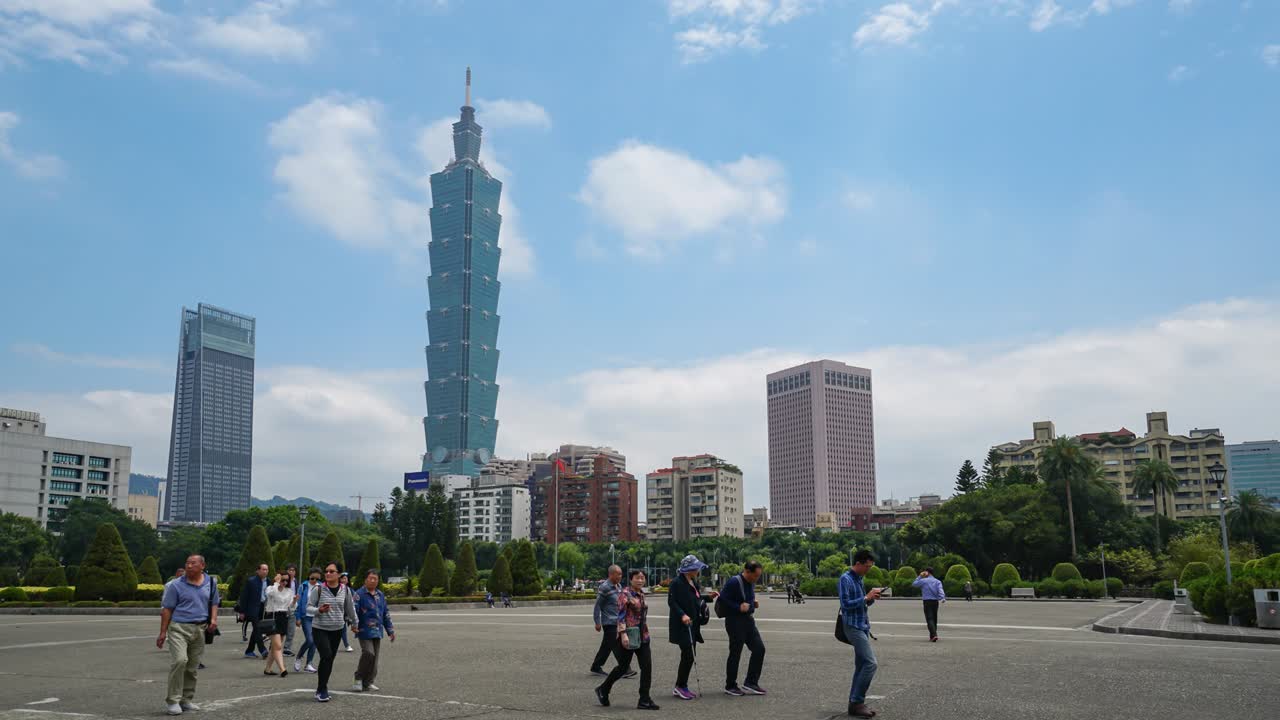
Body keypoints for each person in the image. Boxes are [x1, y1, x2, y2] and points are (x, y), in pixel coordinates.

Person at [157, 555, 219, 716]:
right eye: (187, 563)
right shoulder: (176, 585)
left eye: (193, 563)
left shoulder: (211, 583)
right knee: (180, 660)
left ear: (202, 565)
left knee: (192, 667)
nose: (189, 566)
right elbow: (167, 609)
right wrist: (163, 632)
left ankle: (186, 700)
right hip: (178, 627)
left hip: (200, 629)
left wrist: (213, 619)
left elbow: (214, 602)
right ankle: (173, 701)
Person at [593, 569, 659, 711]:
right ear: (631, 579)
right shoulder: (624, 594)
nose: (640, 580)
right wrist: (623, 634)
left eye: (642, 578)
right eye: (637, 578)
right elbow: (621, 615)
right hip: (629, 635)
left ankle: (644, 699)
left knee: (647, 667)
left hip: (642, 635)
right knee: (623, 667)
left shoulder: (641, 594)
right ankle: (603, 689)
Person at [839, 550, 884, 718]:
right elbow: (845, 605)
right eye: (867, 566)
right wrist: (866, 598)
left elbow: (861, 604)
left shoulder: (859, 578)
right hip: (852, 626)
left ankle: (854, 704)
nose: (869, 570)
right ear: (858, 563)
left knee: (861, 665)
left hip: (862, 625)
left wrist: (871, 598)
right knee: (871, 663)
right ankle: (857, 702)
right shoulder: (846, 579)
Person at [307, 562, 358, 702]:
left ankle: (322, 687)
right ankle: (322, 689)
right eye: (327, 571)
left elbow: (350, 609)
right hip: (320, 629)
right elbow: (308, 608)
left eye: (331, 571)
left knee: (329, 660)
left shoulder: (345, 590)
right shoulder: (318, 589)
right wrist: (319, 610)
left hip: (337, 629)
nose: (328, 573)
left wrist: (355, 623)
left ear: (339, 574)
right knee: (326, 655)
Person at [668, 554, 714, 701]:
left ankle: (682, 685)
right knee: (688, 655)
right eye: (696, 567)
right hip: (682, 625)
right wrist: (682, 615)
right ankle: (680, 686)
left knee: (690, 655)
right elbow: (672, 602)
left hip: (693, 624)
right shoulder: (677, 583)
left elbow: (696, 598)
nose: (698, 570)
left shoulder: (692, 581)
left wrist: (709, 597)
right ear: (689, 569)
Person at [720, 561, 766, 696]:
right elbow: (723, 600)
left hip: (748, 620)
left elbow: (748, 599)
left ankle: (751, 682)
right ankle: (730, 685)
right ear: (747, 571)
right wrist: (737, 607)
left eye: (758, 576)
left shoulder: (751, 582)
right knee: (735, 653)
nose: (757, 579)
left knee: (759, 649)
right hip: (734, 621)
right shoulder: (734, 582)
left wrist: (753, 604)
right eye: (755, 576)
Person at [351, 569, 395, 692]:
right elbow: (353, 611)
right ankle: (358, 677)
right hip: (364, 630)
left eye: (375, 579)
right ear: (365, 579)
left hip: (377, 630)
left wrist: (390, 630)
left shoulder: (380, 595)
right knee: (368, 653)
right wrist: (354, 624)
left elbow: (385, 613)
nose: (372, 580)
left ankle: (368, 682)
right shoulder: (358, 594)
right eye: (370, 578)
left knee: (375, 658)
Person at [590, 565, 635, 679]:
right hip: (609, 621)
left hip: (618, 620)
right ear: (610, 574)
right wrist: (597, 621)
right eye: (618, 574)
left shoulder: (618, 586)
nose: (620, 576)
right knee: (616, 645)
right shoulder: (605, 587)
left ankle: (596, 666)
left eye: (621, 574)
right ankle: (625, 669)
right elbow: (597, 606)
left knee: (607, 646)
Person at [262, 572, 294, 676]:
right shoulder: (271, 588)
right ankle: (282, 669)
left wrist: (294, 602)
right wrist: (276, 583)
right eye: (282, 580)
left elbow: (291, 607)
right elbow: (270, 594)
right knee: (278, 646)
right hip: (272, 616)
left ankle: (267, 669)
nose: (284, 582)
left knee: (275, 647)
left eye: (286, 580)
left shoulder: (289, 591)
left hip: (283, 617)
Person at [238, 563, 270, 658]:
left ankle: (249, 651)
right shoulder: (251, 581)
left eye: (266, 569)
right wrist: (242, 611)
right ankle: (263, 650)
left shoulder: (269, 581)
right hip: (252, 608)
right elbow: (244, 597)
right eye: (263, 569)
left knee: (256, 630)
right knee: (257, 628)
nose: (265, 571)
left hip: (263, 608)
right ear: (258, 571)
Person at [294, 568, 322, 673]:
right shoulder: (303, 586)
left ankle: (309, 664)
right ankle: (299, 657)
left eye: (317, 578)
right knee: (310, 640)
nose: (314, 580)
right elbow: (299, 602)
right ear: (309, 576)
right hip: (306, 616)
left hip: (316, 616)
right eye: (312, 578)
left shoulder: (321, 587)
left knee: (314, 641)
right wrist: (298, 617)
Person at [912, 567, 946, 642]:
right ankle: (932, 636)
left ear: (927, 572)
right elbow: (940, 590)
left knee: (929, 618)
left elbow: (914, 584)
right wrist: (942, 598)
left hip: (927, 601)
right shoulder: (937, 581)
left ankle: (934, 635)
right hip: (935, 602)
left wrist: (920, 576)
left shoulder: (923, 581)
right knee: (934, 619)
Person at [282, 564, 299, 656]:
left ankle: (287, 649)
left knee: (291, 630)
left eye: (293, 570)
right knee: (280, 630)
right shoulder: (283, 581)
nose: (291, 572)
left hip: (292, 607)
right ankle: (272, 647)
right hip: (282, 608)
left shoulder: (296, 582)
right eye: (290, 570)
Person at [338, 572, 355, 652]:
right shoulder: (337, 588)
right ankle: (346, 645)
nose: (344, 580)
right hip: (337, 612)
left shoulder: (350, 590)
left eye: (345, 578)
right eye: (342, 578)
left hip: (345, 613)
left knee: (343, 629)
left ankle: (346, 645)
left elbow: (354, 602)